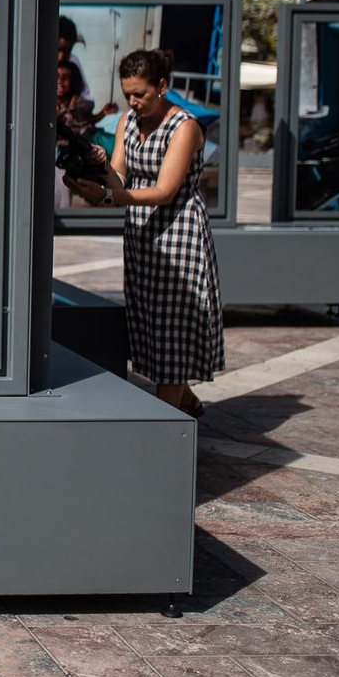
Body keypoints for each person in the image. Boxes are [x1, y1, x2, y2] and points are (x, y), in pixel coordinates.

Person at [63, 49, 222, 417]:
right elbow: (119, 176)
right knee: (149, 322)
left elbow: (165, 191)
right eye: (127, 94)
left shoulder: (185, 128)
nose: (132, 102)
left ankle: (168, 428)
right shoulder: (127, 123)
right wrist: (100, 169)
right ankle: (185, 401)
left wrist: (107, 195)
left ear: (162, 86)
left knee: (173, 329)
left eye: (140, 94)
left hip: (179, 234)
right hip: (141, 233)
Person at [54, 60, 95, 209]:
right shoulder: (44, 102)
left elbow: (88, 114)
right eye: (56, 76)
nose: (59, 81)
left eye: (65, 78)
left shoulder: (79, 104)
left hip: (71, 154)